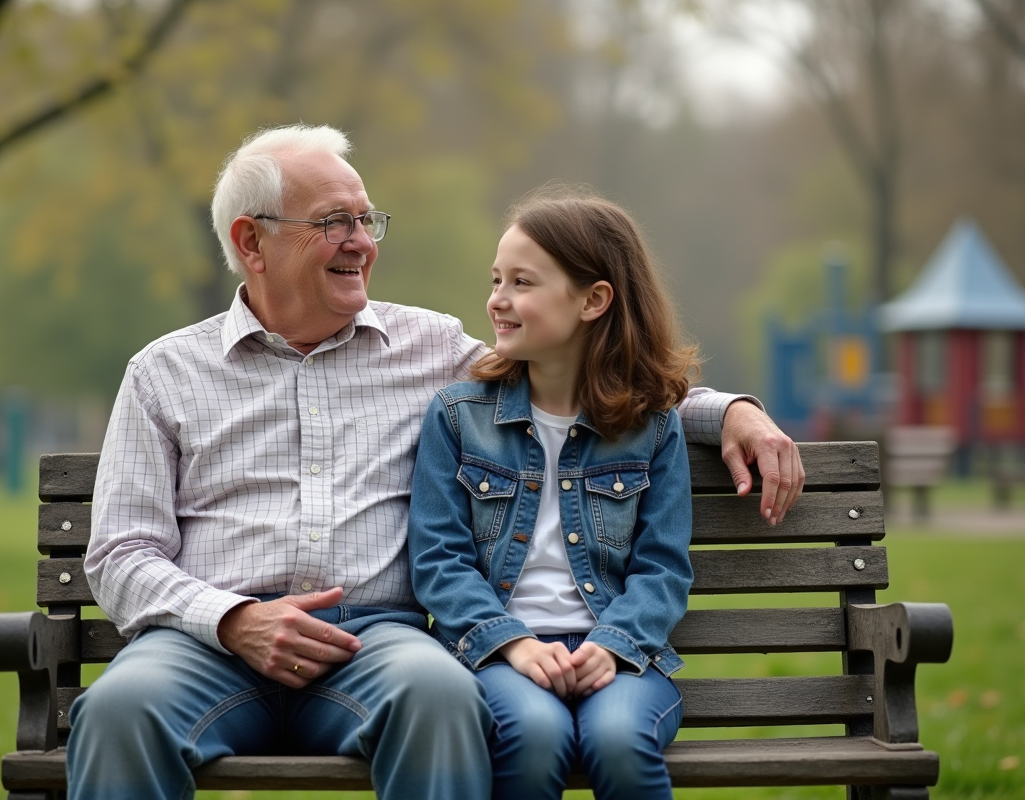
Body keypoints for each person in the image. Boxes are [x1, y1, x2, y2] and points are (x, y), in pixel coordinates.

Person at [66, 123, 804, 800]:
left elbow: (581, 381)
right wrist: (235, 621)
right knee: (117, 711)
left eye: (366, 219)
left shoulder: (430, 349)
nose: (361, 241)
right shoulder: (166, 373)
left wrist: (730, 411)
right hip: (207, 648)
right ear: (252, 243)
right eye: (334, 223)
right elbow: (122, 554)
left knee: (443, 695)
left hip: (374, 645)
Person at [409, 189, 701, 799]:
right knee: (534, 733)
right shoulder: (458, 418)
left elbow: (662, 568)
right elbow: (439, 562)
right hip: (494, 654)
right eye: (495, 280)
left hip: (618, 654)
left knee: (620, 740)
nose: (497, 300)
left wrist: (613, 646)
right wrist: (510, 641)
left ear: (593, 300)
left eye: (522, 282)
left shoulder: (652, 425)